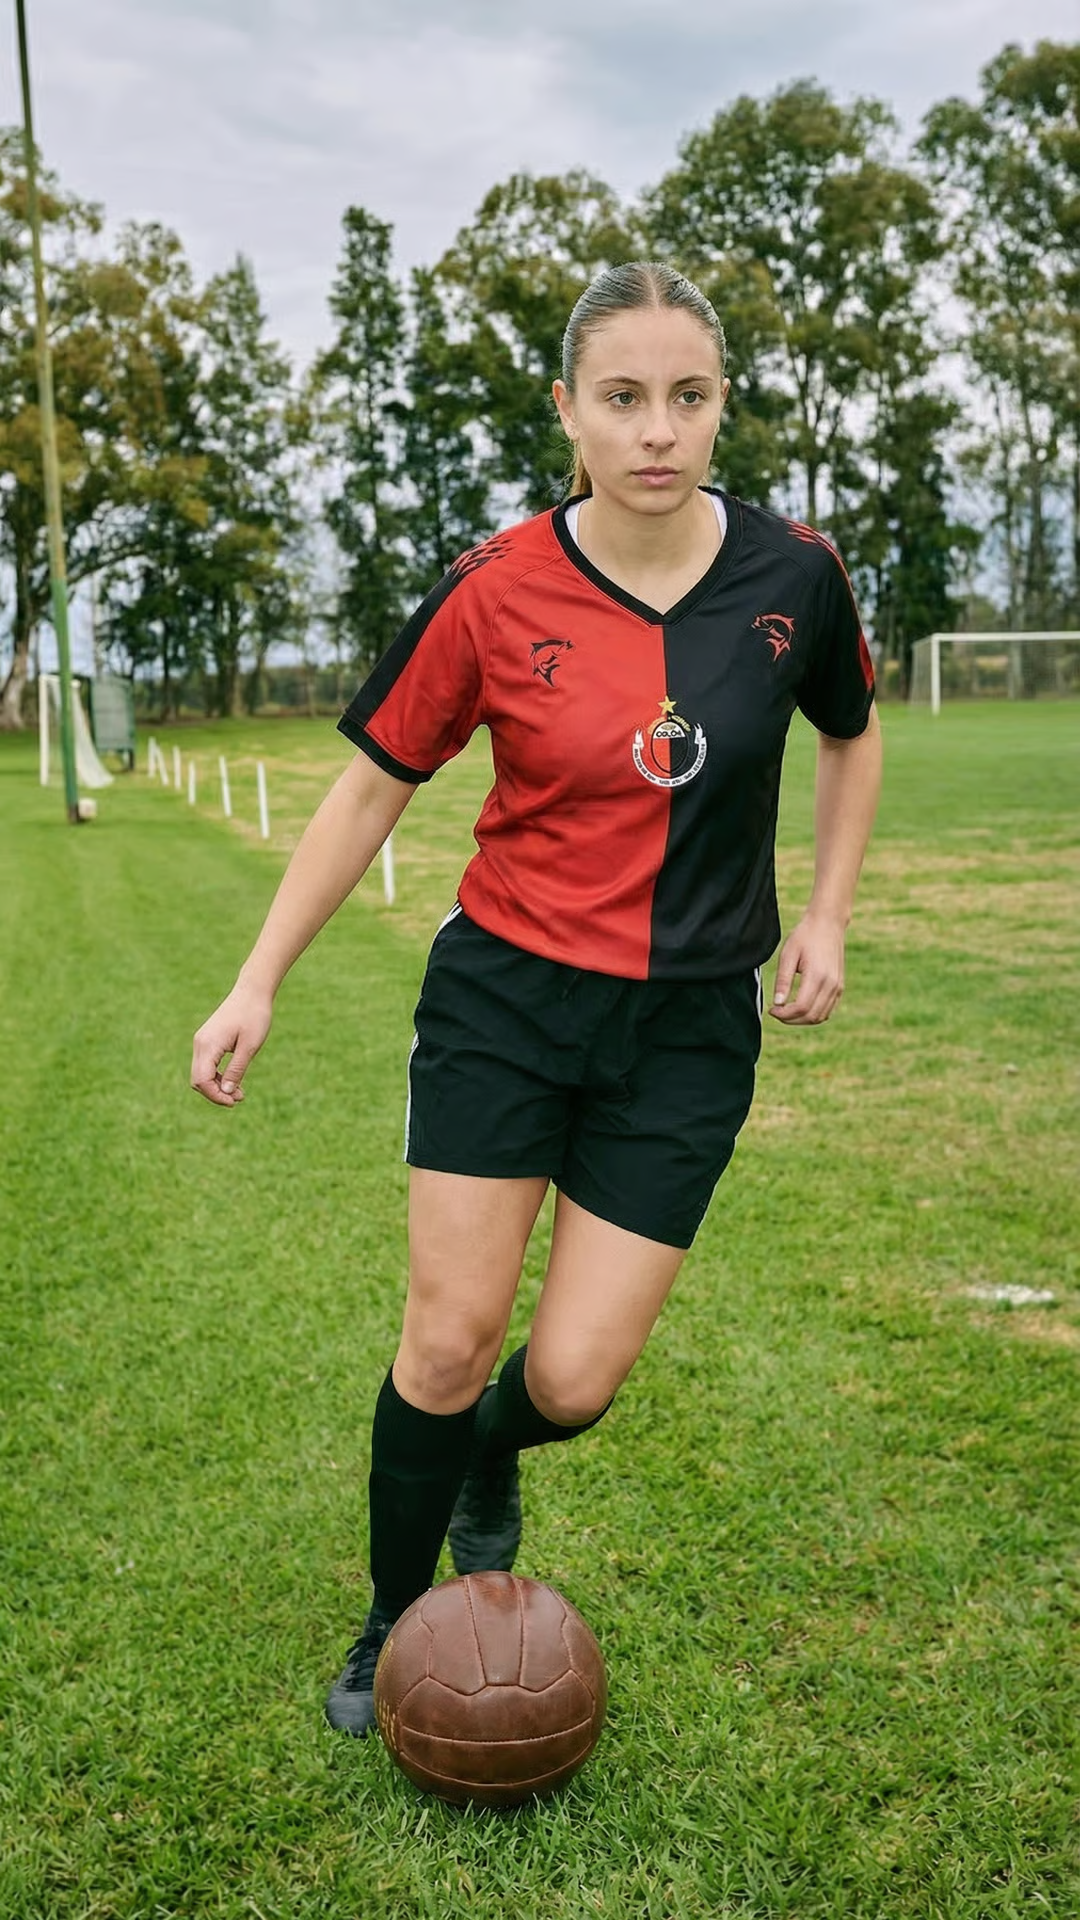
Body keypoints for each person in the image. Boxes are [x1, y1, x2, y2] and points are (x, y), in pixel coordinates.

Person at [190, 261, 882, 1738]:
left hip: (690, 1026)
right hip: (508, 999)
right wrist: (257, 980)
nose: (657, 430)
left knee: (568, 1377)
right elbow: (373, 785)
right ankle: (392, 1623)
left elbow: (850, 733)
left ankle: (490, 1456)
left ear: (720, 409)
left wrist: (824, 909)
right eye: (623, 398)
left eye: (687, 397)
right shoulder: (495, 588)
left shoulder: (795, 577)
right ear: (568, 411)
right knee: (446, 1338)